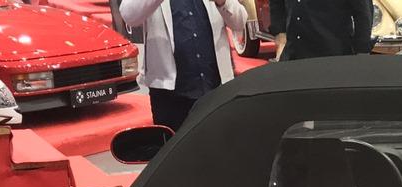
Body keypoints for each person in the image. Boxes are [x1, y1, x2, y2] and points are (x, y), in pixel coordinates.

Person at [120, 0, 249, 131]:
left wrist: (222, 3)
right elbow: (129, 15)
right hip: (169, 96)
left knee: (219, 142)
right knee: (174, 143)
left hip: (215, 89)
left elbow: (240, 22)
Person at [268, 0, 373, 61]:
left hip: (332, 54)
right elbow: (276, 4)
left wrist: (361, 52)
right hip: (293, 52)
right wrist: (280, 36)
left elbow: (363, 13)